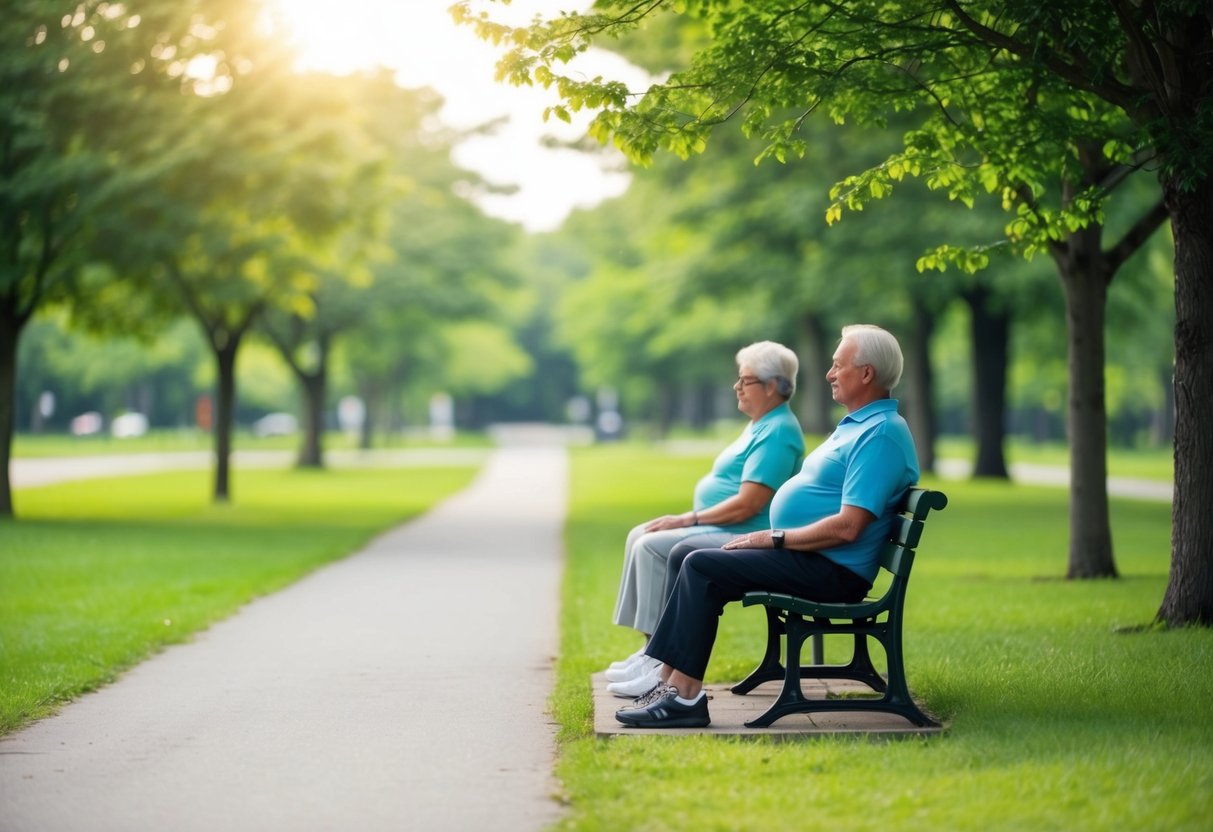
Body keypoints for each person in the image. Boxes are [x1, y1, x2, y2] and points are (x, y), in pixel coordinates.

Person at [615, 324, 920, 728]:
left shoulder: (879, 434)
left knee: (702, 566)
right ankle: (669, 683)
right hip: (813, 557)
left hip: (832, 570)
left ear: (866, 374)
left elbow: (849, 527)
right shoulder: (858, 426)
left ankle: (684, 698)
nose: (829, 373)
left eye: (837, 365)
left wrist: (774, 538)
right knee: (689, 553)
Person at [604, 341, 806, 698]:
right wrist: (688, 520)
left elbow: (748, 504)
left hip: (744, 531)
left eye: (746, 380)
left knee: (652, 546)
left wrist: (688, 519)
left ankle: (657, 658)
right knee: (642, 533)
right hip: (728, 526)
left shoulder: (778, 432)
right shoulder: (761, 424)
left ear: (772, 386)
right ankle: (650, 650)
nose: (737, 386)